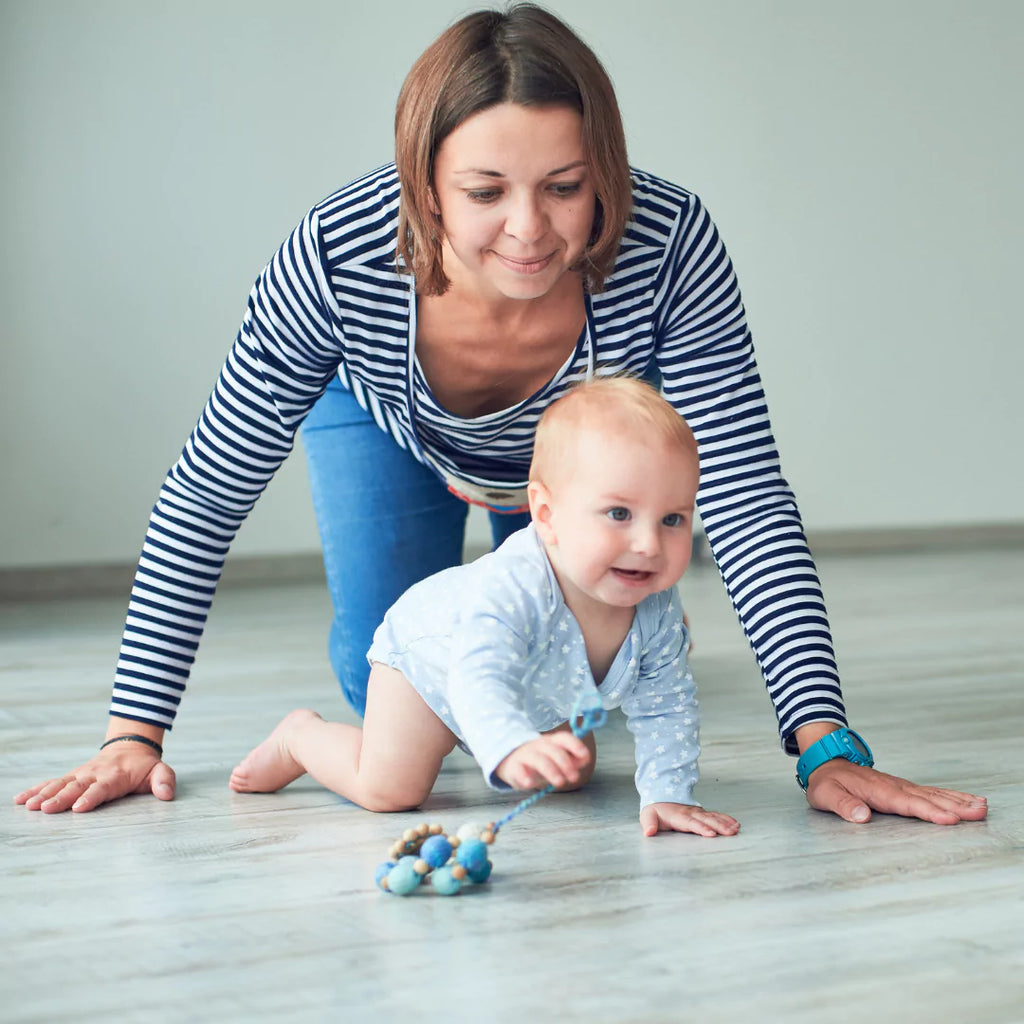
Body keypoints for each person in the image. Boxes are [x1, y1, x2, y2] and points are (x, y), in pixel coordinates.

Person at [15, 4, 986, 827]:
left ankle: (594, 648)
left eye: (565, 187)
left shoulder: (669, 244)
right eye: (484, 191)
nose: (529, 231)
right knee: (397, 695)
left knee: (576, 702)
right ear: (423, 186)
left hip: (586, 470)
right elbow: (207, 488)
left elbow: (740, 488)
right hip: (393, 430)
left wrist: (824, 739)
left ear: (602, 169)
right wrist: (131, 732)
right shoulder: (335, 260)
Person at [228, 378, 740, 838]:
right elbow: (478, 677)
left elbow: (668, 705)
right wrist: (509, 743)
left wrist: (667, 793)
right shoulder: (517, 583)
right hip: (431, 665)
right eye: (619, 513)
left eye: (673, 518)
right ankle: (301, 737)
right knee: (391, 789)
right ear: (546, 514)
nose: (649, 544)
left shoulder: (656, 607)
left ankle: (512, 739)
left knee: (569, 774)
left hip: (531, 692)